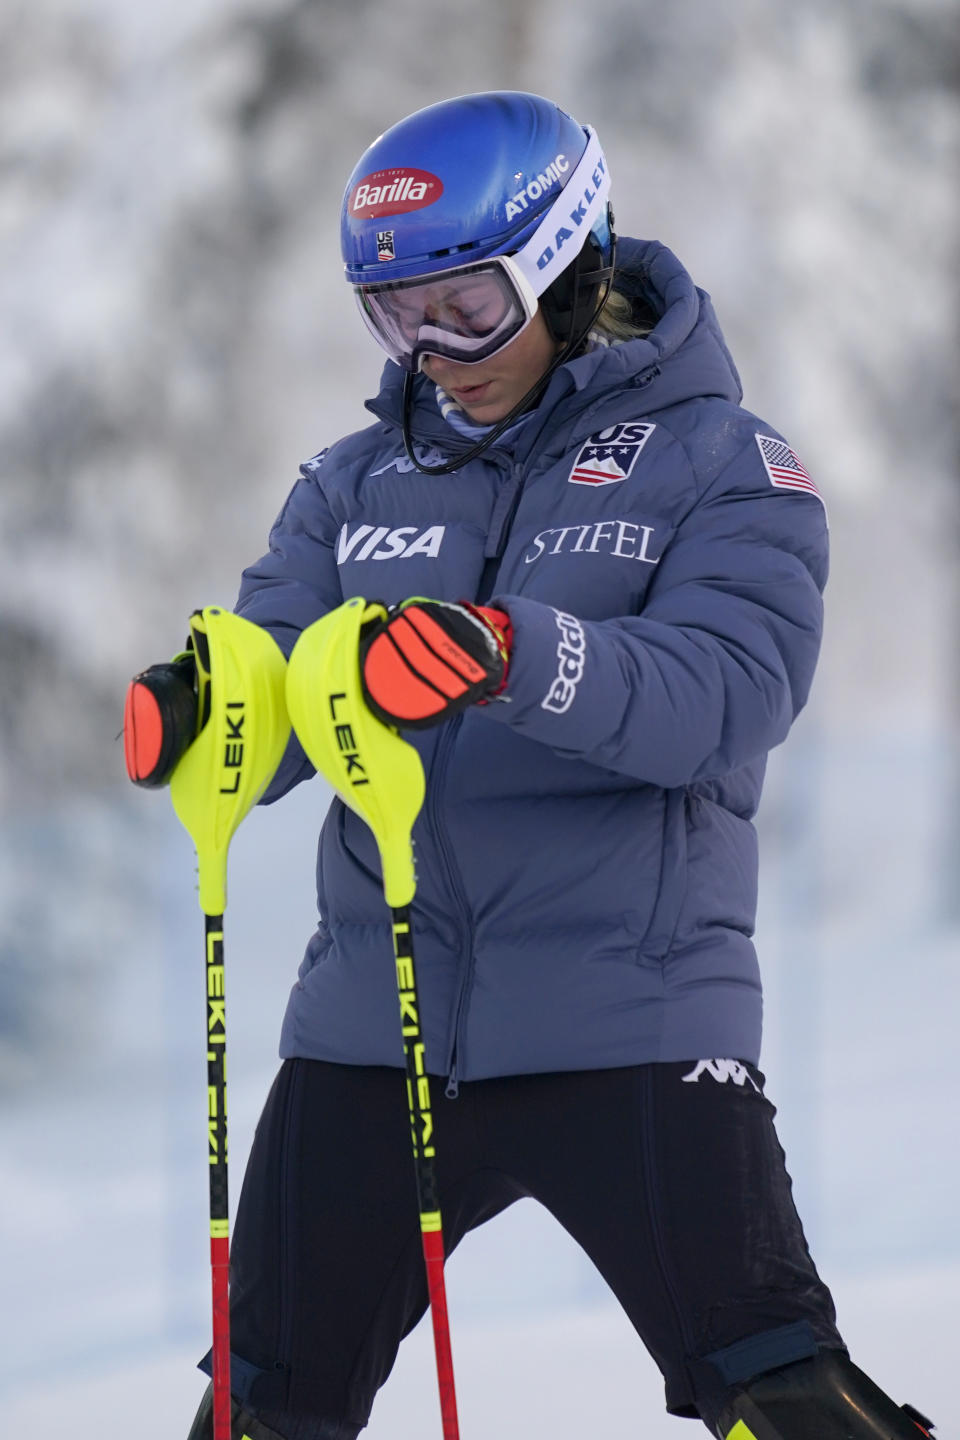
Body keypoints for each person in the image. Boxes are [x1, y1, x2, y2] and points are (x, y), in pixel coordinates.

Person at [129, 92, 934, 1438]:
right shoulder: (350, 485)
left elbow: (727, 696)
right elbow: (268, 694)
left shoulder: (724, 465)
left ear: (565, 262)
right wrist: (206, 711)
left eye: (469, 307)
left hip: (629, 1023)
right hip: (369, 1034)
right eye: (398, 315)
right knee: (262, 1404)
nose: (437, 351)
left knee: (776, 1386)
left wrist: (514, 653)